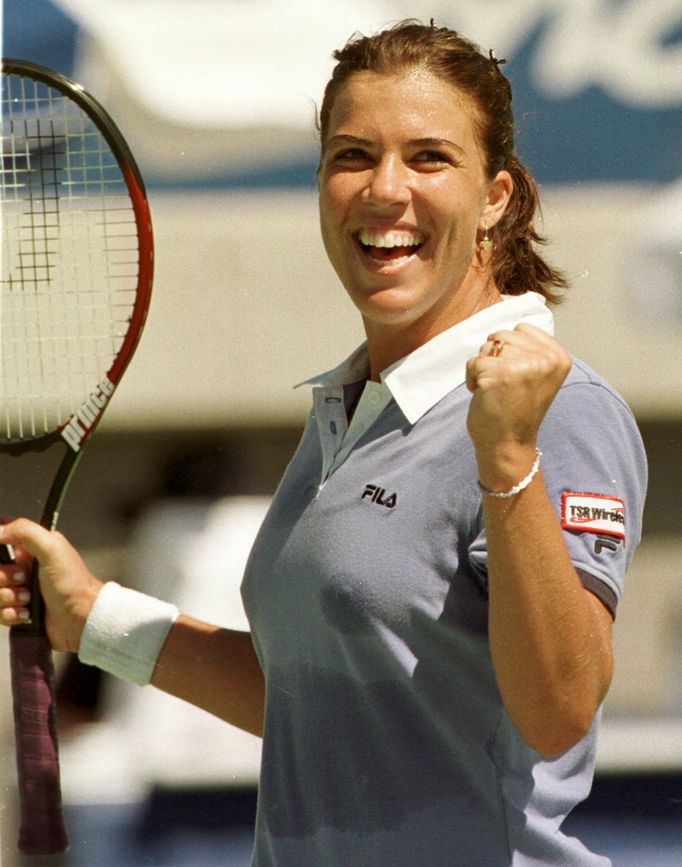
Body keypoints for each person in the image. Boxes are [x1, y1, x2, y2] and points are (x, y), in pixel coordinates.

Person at [0, 19, 647, 866]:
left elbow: (560, 708)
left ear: (497, 195)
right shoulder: (351, 407)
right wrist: (95, 617)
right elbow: (320, 702)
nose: (384, 189)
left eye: (428, 158)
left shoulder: (561, 412)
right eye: (351, 156)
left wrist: (509, 461)